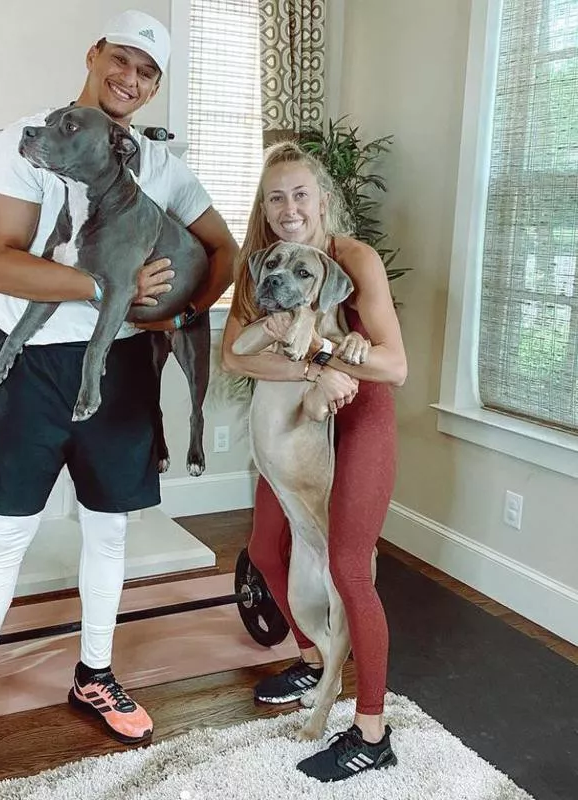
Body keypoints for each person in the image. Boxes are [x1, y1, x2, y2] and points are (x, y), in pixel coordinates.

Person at [0, 10, 238, 799]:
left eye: (148, 73)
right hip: (32, 366)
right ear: (94, 55)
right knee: (5, 540)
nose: (131, 80)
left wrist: (177, 314)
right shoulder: (28, 140)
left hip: (122, 367)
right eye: (121, 61)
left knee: (107, 535)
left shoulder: (156, 161)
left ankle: (93, 675)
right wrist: (110, 286)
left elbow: (224, 249)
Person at [221, 140, 407, 782]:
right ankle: (313, 657)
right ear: (266, 209)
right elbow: (236, 357)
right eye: (276, 197)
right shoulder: (266, 268)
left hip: (362, 418)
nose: (289, 206)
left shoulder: (354, 259)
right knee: (269, 551)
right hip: (305, 419)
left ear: (323, 200)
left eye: (300, 193)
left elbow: (395, 365)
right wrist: (316, 366)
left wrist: (326, 356)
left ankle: (372, 728)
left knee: (350, 567)